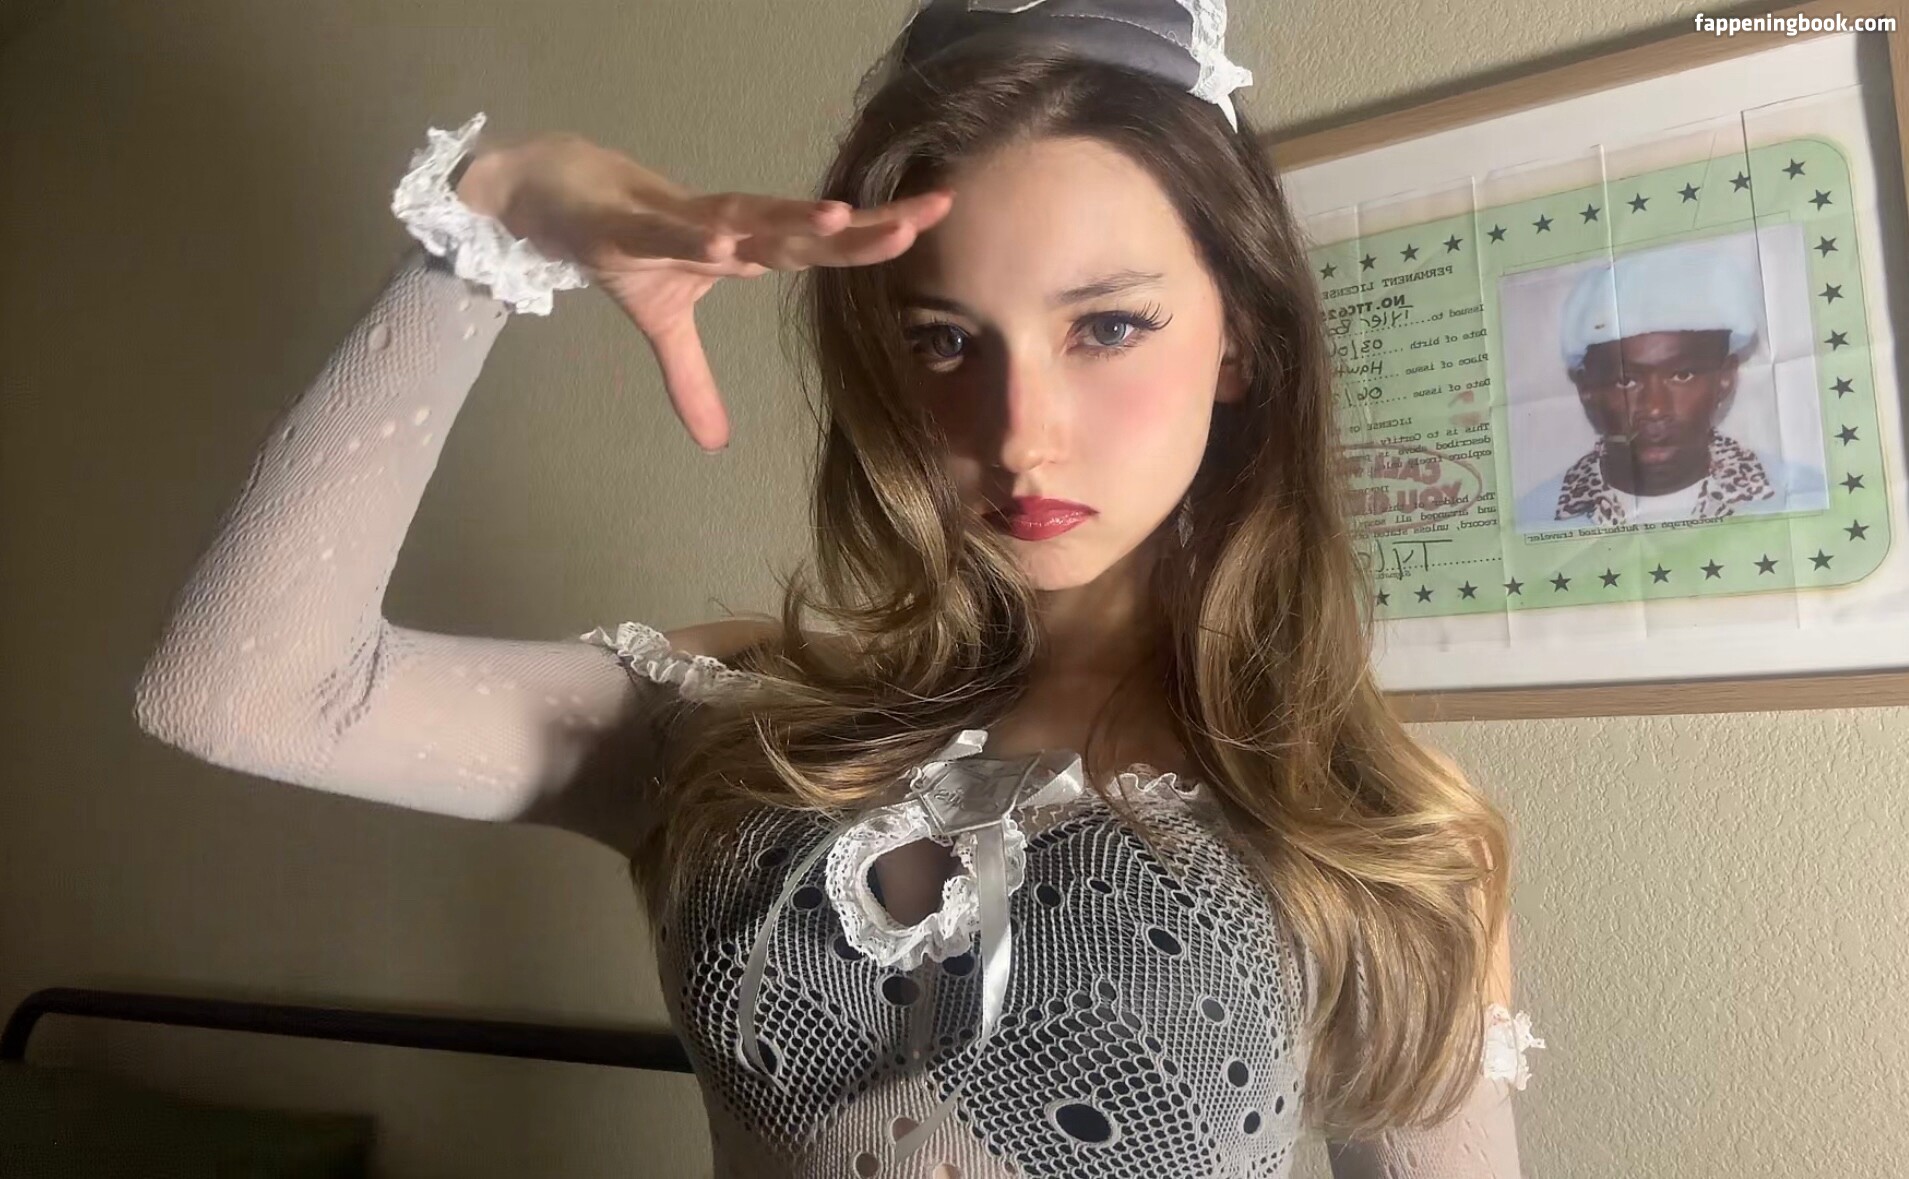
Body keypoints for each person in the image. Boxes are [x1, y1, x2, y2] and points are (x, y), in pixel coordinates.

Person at [132, 1, 1542, 1175]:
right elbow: (245, 692)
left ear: (1240, 338)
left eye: (1107, 326)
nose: (1019, 433)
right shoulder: (740, 728)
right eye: (944, 340)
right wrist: (496, 227)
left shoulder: (1372, 836)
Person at [1515, 235, 1826, 531]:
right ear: (1587, 389)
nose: (1654, 408)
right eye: (1626, 381)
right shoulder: (1533, 518)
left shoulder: (1804, 497)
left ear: (1725, 378)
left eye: (1682, 376)